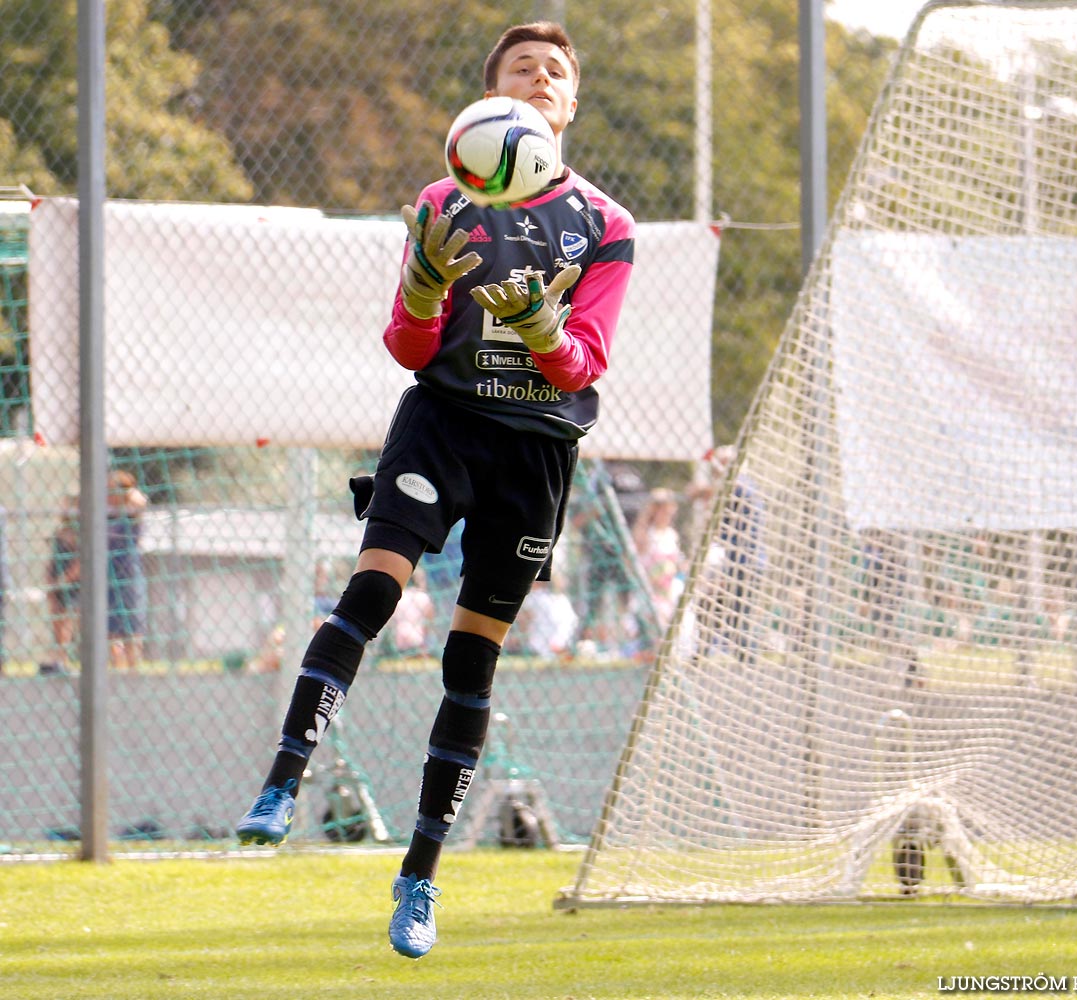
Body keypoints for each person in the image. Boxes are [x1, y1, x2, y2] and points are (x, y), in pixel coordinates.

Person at [235, 20, 635, 961]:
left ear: (570, 104)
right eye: (521, 68)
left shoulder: (605, 226)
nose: (540, 80)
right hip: (444, 421)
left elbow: (586, 365)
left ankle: (418, 877)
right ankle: (282, 783)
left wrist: (539, 323)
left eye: (555, 72)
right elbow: (410, 347)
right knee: (375, 586)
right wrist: (421, 285)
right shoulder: (442, 202)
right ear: (488, 96)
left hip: (534, 450)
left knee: (472, 658)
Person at [106, 470, 148, 670]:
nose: (108, 494)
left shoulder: (130, 512)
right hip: (107, 576)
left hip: (128, 575)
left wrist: (127, 490)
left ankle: (133, 671)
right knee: (110, 630)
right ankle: (117, 670)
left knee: (131, 628)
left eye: (111, 490)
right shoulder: (106, 515)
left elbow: (140, 501)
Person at [631, 488, 684, 627]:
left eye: (669, 511)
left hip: (668, 592)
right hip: (650, 593)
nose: (666, 515)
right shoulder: (647, 534)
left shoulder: (671, 534)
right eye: (661, 510)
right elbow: (638, 545)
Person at [44, 496, 81, 674]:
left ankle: (64, 659)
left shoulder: (78, 533)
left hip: (70, 582)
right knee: (57, 621)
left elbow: (78, 564)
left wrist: (63, 580)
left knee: (67, 620)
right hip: (57, 580)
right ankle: (57, 659)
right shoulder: (61, 531)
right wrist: (50, 581)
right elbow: (53, 559)